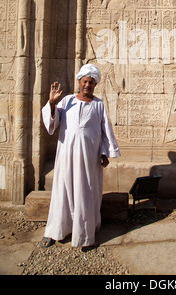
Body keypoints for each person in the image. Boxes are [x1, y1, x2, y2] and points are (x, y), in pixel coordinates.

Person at [40, 64, 120, 248]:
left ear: (95, 85)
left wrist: (105, 152)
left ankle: (84, 236)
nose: (87, 85)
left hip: (88, 159)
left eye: (91, 82)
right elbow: (52, 123)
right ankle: (55, 231)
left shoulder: (99, 104)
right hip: (66, 157)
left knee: (86, 192)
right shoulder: (67, 101)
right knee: (63, 191)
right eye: (85, 81)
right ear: (79, 82)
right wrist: (52, 103)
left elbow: (105, 130)